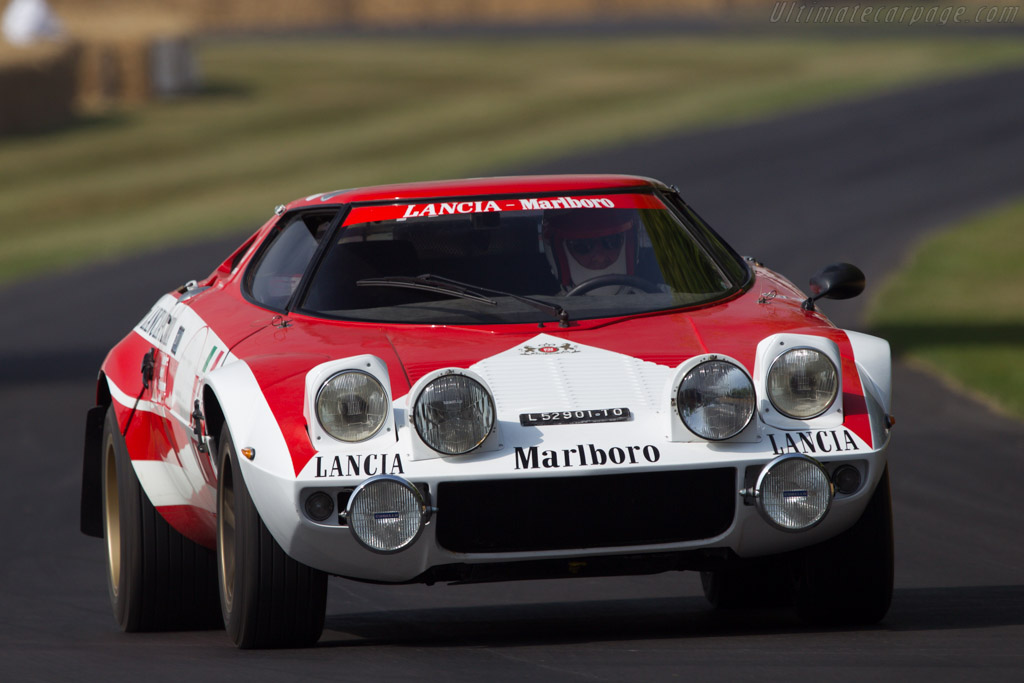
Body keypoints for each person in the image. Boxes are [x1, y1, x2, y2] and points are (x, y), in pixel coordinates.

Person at [542, 209, 639, 293]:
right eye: (583, 245)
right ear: (559, 253)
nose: (600, 258)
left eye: (612, 241)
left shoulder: (651, 302)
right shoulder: (544, 312)